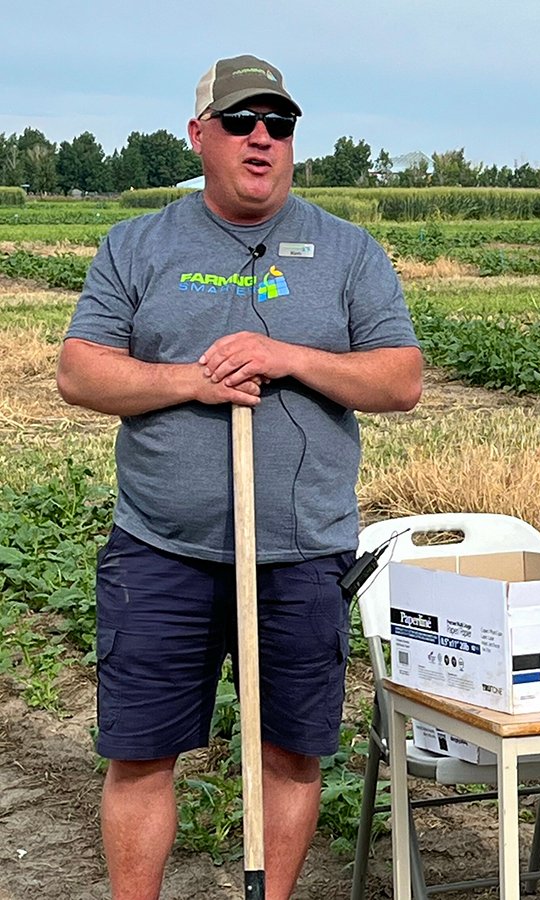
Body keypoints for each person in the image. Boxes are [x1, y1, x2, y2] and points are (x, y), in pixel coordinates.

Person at [56, 54, 423, 899]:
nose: (262, 140)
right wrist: (192, 380)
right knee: (141, 752)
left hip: (301, 553)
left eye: (279, 125)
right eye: (241, 122)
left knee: (291, 752)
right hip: (162, 549)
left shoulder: (346, 251)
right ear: (199, 135)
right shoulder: (139, 244)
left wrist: (286, 356)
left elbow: (400, 379)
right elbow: (81, 372)